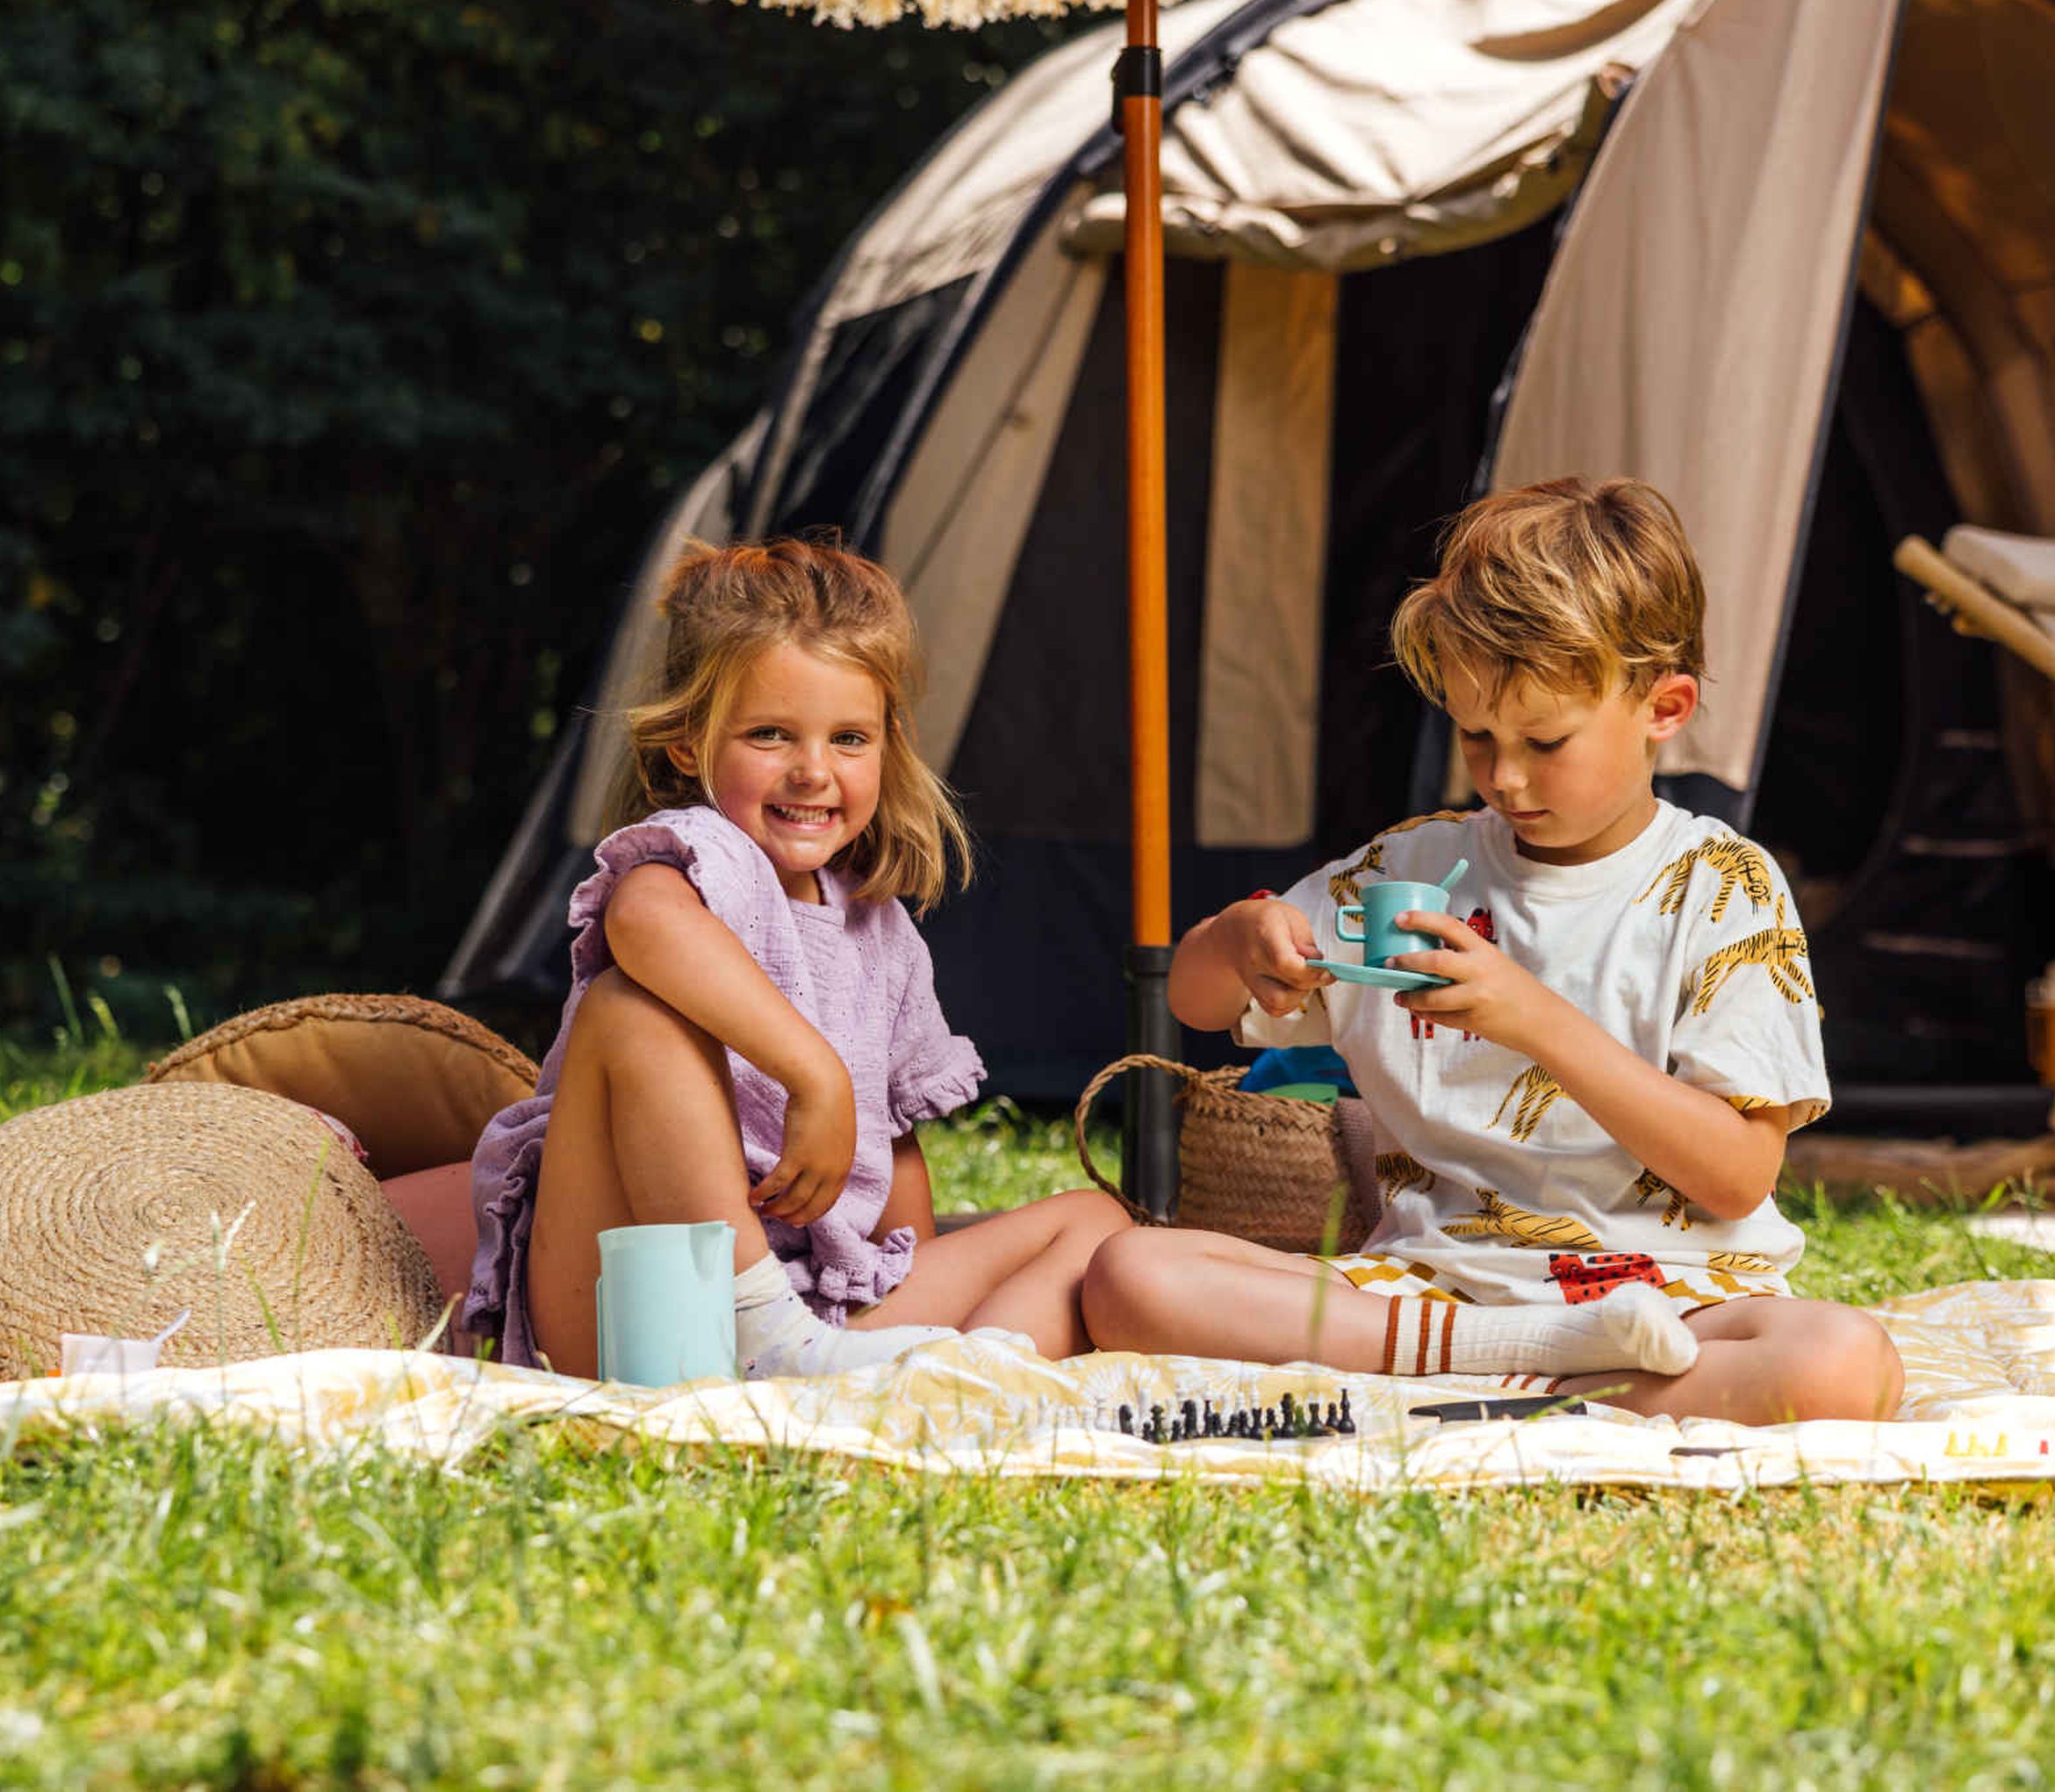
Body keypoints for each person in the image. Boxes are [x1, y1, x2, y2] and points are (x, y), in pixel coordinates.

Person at [1080, 479, 1906, 1424]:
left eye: (1545, 741)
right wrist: (1237, 938)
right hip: (1433, 1289)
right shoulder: (1415, 868)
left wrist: (1534, 1020)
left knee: (1843, 1364)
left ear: (1664, 708)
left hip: (1675, 1296)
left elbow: (1736, 1176)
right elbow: (1196, 1004)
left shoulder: (1725, 888)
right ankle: (1541, 1367)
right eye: (1477, 735)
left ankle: (1488, 1376)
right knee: (1133, 1274)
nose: (1505, 777)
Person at [464, 536, 1125, 1378]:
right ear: (688, 745)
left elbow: (895, 1151)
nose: (814, 771)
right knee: (632, 1007)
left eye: (849, 739)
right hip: (635, 1296)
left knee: (1095, 1225)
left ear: (887, 748)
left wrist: (901, 1274)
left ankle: (965, 1379)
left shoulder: (878, 929)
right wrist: (816, 1074)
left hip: (814, 1310)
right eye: (772, 735)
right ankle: (758, 1329)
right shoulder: (708, 855)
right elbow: (640, 921)